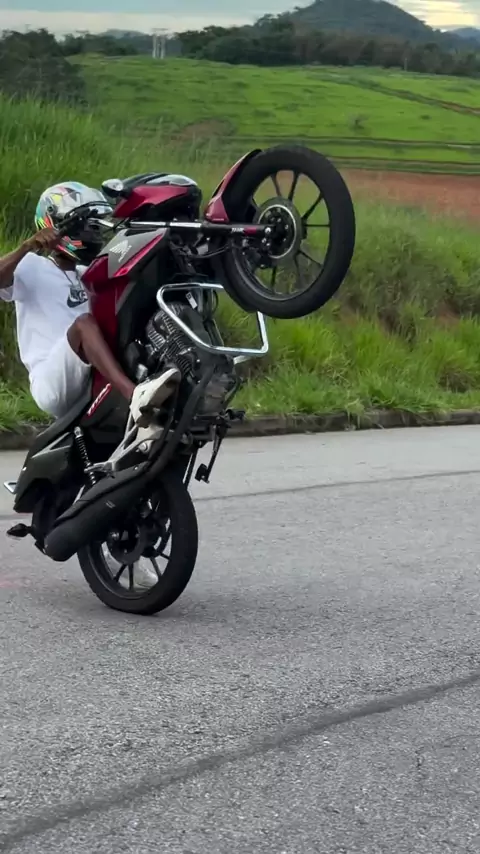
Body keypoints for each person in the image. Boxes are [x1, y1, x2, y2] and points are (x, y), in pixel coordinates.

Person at [0, 182, 180, 423]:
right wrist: (27, 247)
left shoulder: (87, 274)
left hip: (88, 371)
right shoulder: (32, 266)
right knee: (83, 324)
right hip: (51, 381)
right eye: (86, 227)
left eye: (95, 227)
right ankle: (134, 396)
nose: (93, 234)